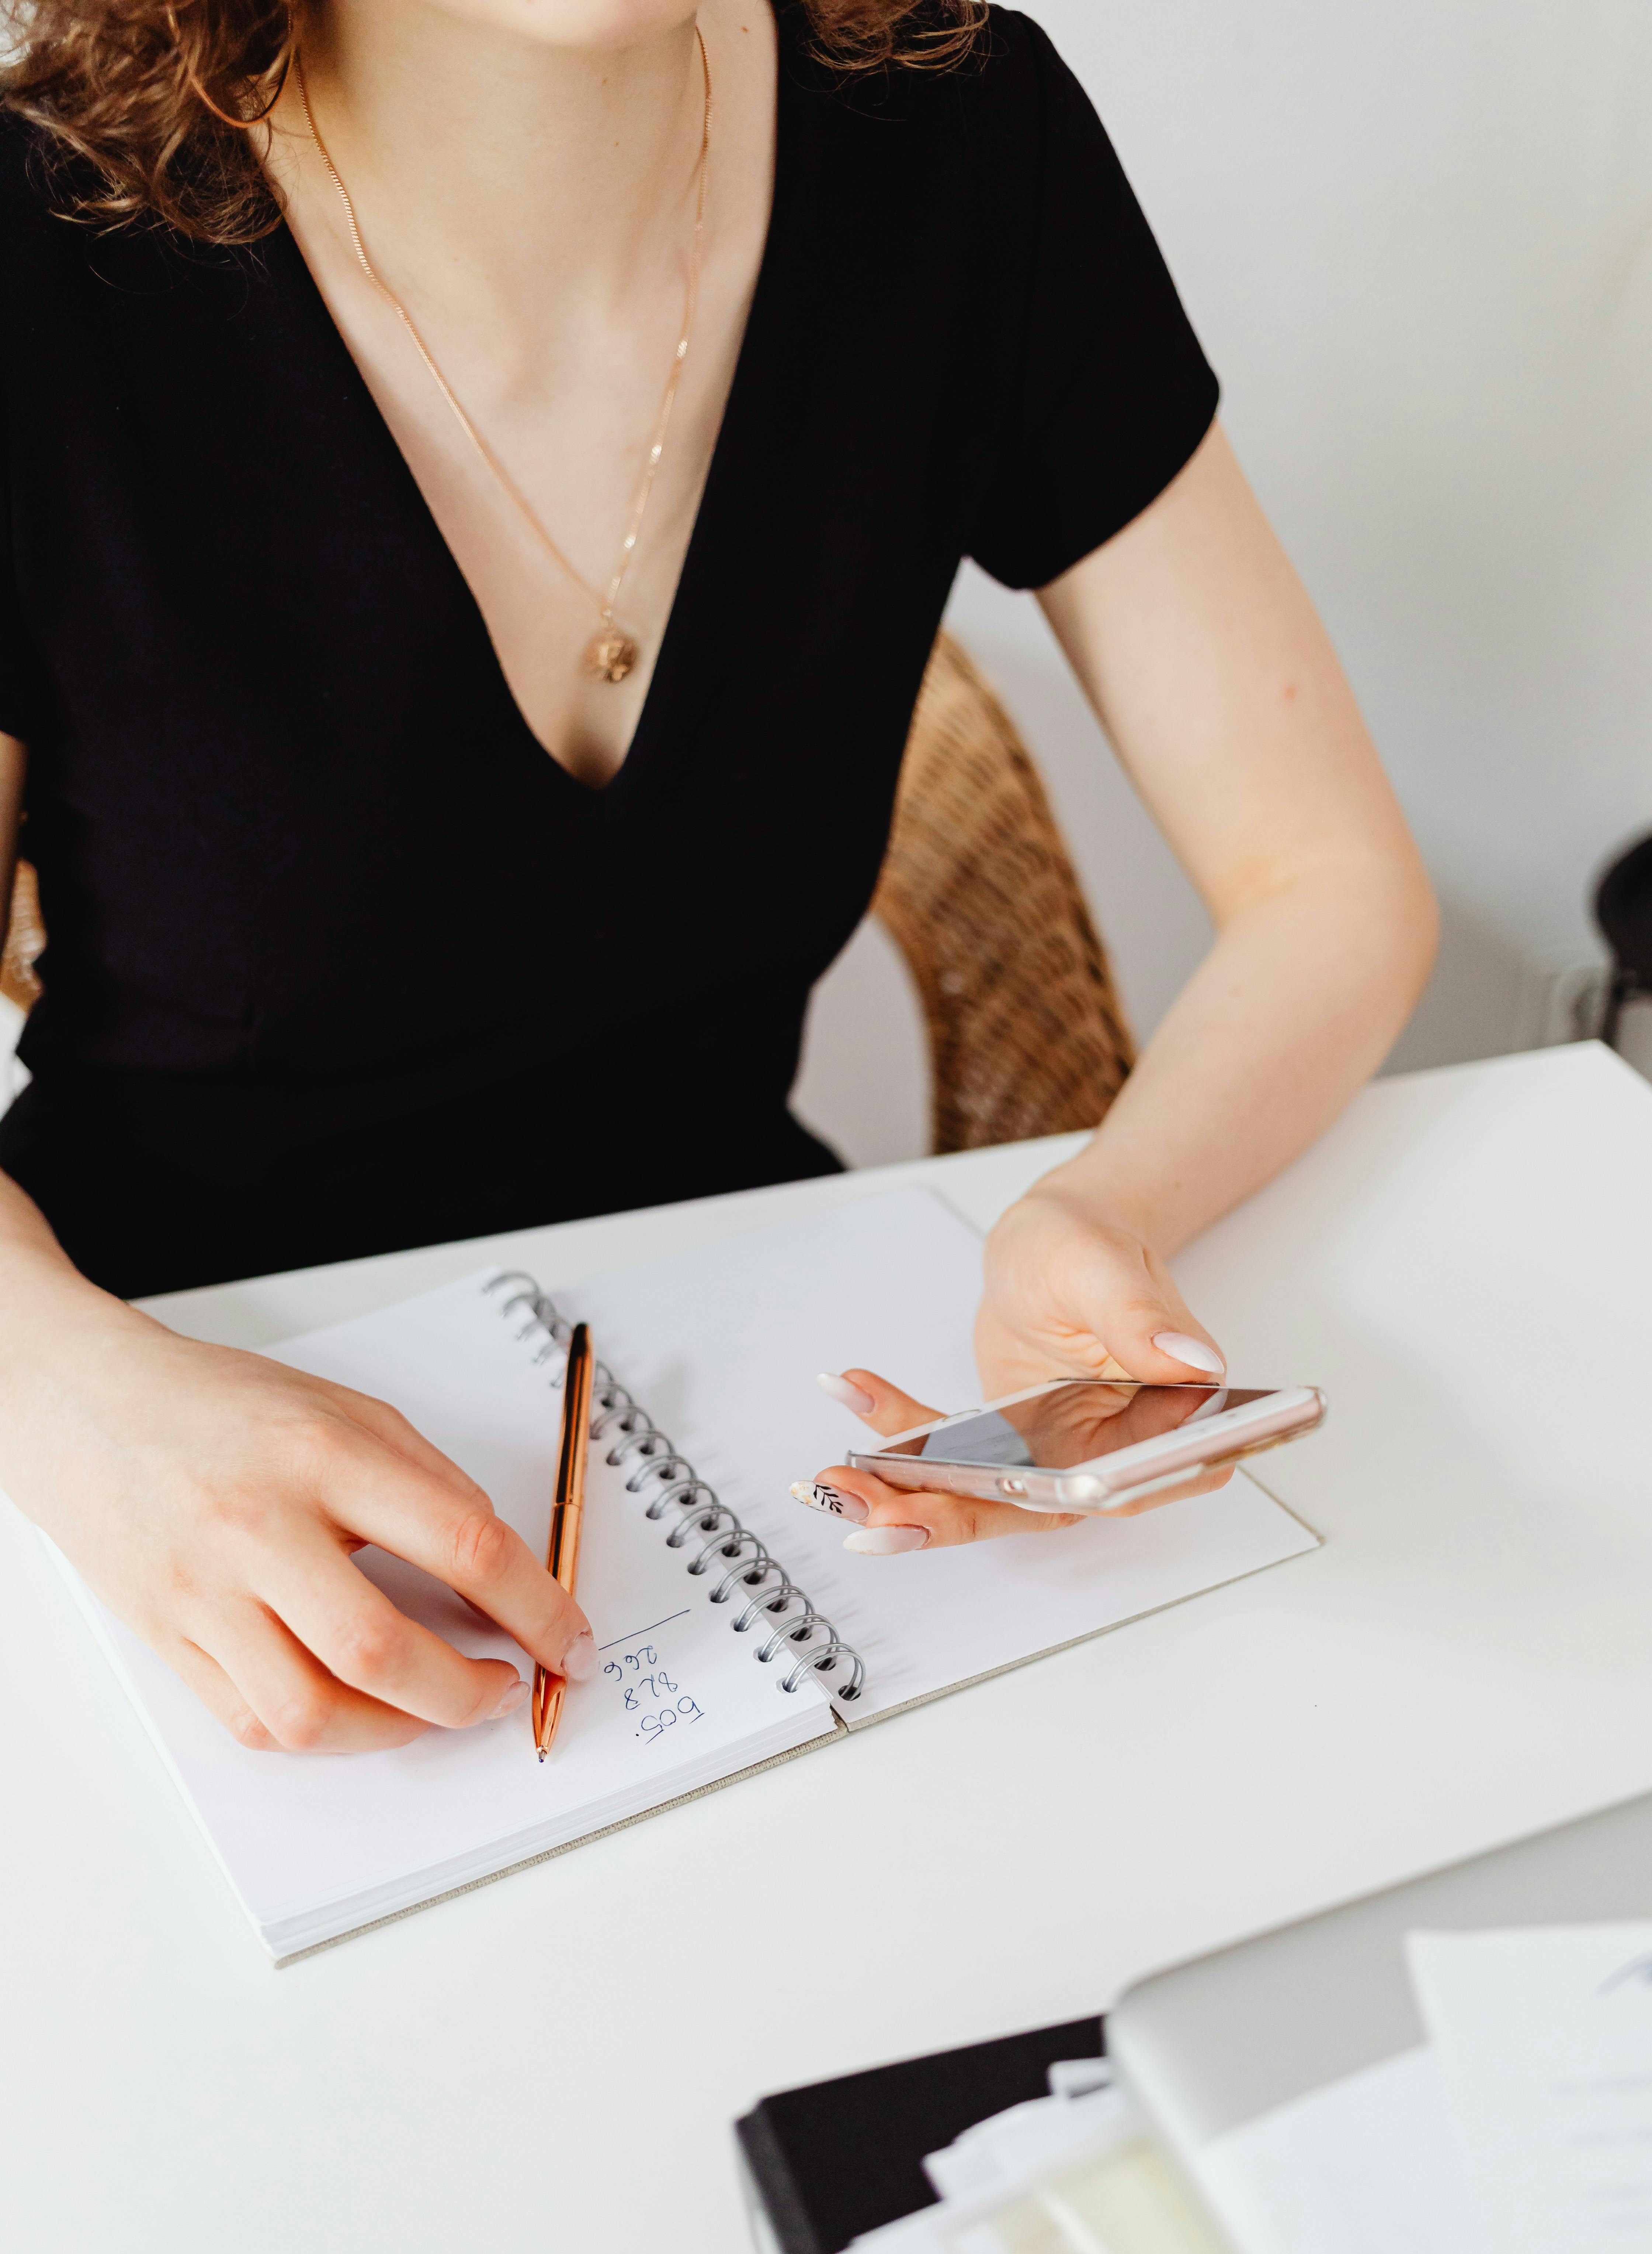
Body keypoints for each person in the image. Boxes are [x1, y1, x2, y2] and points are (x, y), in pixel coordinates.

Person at [0, 0, 1436, 1752]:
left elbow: (1326, 874)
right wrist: (79, 1412)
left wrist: (1098, 1209)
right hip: (131, 1412)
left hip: (747, 1393)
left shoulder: (956, 131)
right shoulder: (40, 245)